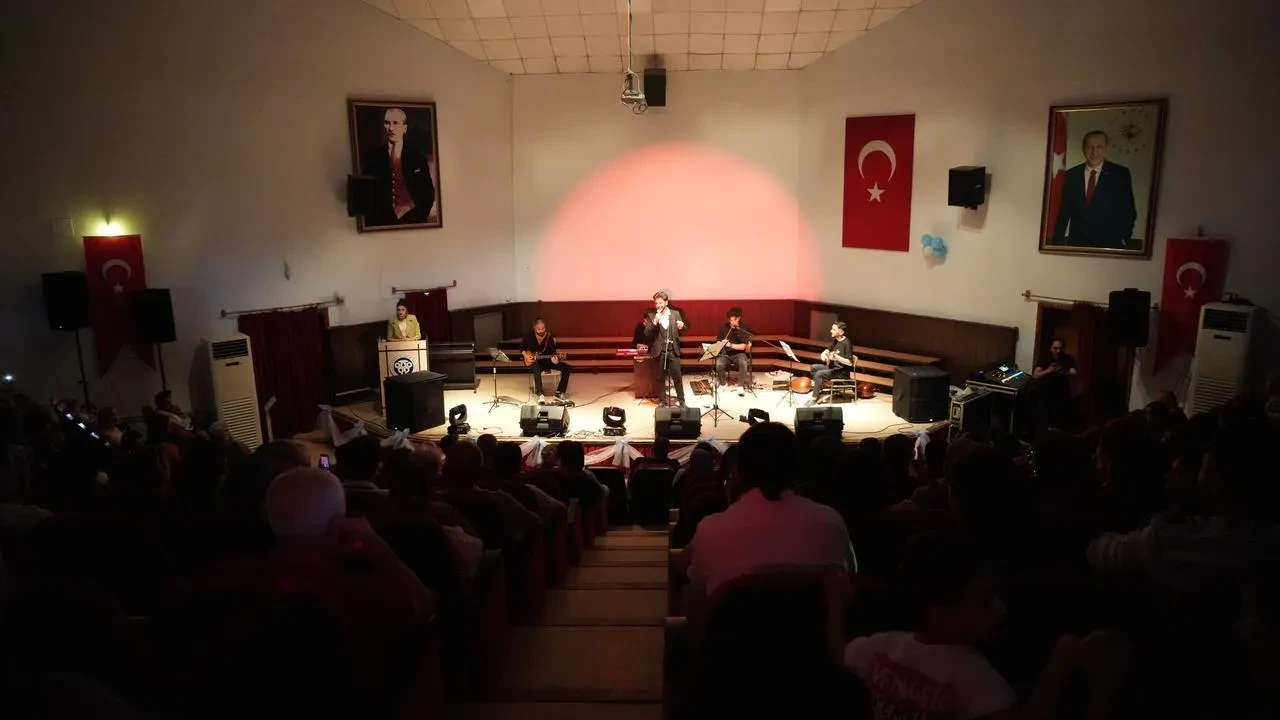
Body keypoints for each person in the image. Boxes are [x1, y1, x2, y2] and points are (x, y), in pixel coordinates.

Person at [683, 422, 851, 599]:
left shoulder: (711, 530)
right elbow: (846, 580)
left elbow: (697, 586)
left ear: (737, 472)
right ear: (797, 469)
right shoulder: (832, 522)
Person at [1051, 130, 1137, 249]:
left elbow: (1128, 211)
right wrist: (1057, 243)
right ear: (1083, 149)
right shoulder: (1071, 175)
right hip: (1077, 244)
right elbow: (1063, 212)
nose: (1094, 152)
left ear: (1106, 149)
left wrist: (1124, 238)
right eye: (1090, 147)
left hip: (1109, 244)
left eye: (1099, 147)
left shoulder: (1120, 174)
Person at [361, 107, 439, 226]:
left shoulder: (417, 158)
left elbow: (428, 193)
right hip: (382, 221)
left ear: (405, 128)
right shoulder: (374, 158)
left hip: (413, 218)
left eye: (395, 123)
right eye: (387, 123)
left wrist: (419, 214)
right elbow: (366, 193)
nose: (391, 128)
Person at [644, 290, 687, 406]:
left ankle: (682, 401)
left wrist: (682, 326)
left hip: (673, 350)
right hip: (659, 350)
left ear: (666, 302)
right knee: (660, 377)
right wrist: (655, 321)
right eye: (656, 303)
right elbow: (647, 333)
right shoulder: (652, 315)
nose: (658, 305)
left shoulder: (675, 313)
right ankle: (662, 401)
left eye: (660, 303)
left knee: (677, 377)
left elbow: (683, 327)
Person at [521, 317, 571, 401]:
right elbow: (522, 349)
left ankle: (560, 391)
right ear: (534, 328)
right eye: (539, 329)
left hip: (548, 361)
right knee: (536, 368)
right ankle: (540, 393)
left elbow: (553, 352)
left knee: (566, 368)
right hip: (536, 362)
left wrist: (556, 360)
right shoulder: (528, 336)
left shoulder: (549, 336)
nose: (541, 331)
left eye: (543, 328)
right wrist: (526, 356)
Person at [1033, 338, 1077, 430]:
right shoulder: (1045, 358)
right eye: (1055, 348)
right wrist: (1048, 371)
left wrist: (1064, 372)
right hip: (1045, 395)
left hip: (1062, 395)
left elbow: (1074, 373)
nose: (1058, 351)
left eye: (1060, 348)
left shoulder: (1068, 358)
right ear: (1051, 348)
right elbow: (1035, 376)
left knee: (1060, 423)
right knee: (1043, 421)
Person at [808, 321, 853, 405]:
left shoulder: (847, 343)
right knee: (813, 367)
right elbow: (830, 348)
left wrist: (837, 357)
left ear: (841, 332)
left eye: (833, 329)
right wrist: (824, 353)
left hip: (842, 372)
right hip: (834, 368)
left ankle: (814, 398)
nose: (831, 331)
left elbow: (850, 362)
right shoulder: (836, 340)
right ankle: (819, 387)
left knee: (819, 374)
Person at [714, 307, 752, 389]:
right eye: (730, 320)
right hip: (725, 354)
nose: (732, 322)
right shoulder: (724, 327)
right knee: (719, 364)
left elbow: (743, 347)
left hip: (739, 354)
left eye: (734, 320)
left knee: (743, 363)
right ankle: (723, 384)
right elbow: (717, 342)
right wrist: (721, 343)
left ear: (739, 318)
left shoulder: (744, 328)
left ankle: (740, 386)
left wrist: (730, 345)